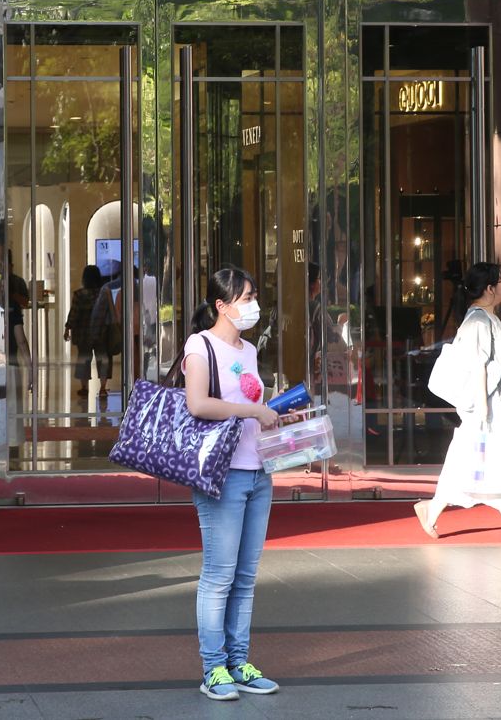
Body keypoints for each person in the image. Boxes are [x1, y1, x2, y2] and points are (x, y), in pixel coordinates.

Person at [182, 266, 285, 702]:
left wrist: (271, 415)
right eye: (246, 298)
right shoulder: (200, 346)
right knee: (219, 575)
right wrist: (254, 411)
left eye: (254, 296)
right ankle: (214, 668)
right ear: (221, 305)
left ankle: (239, 662)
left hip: (258, 471)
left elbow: (250, 404)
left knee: (245, 577)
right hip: (221, 474)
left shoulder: (249, 350)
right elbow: (198, 403)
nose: (253, 305)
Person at [413, 262, 501, 543]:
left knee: (479, 458)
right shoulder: (478, 321)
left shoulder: (487, 318)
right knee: (495, 458)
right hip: (485, 402)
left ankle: (435, 508)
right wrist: (484, 407)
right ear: (489, 289)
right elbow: (478, 363)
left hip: (487, 401)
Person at [65, 264, 105, 401]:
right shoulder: (103, 293)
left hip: (84, 333)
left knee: (84, 359)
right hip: (100, 332)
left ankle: (84, 388)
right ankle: (103, 387)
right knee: (102, 359)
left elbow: (74, 313)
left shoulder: (79, 294)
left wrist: (67, 328)